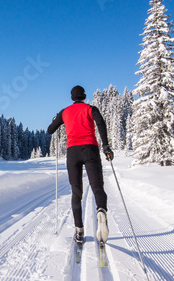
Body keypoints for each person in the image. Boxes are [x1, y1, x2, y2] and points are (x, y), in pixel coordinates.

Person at [47, 85, 114, 244]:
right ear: (84, 96)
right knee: (97, 187)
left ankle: (79, 230)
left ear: (72, 98)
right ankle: (101, 210)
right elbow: (101, 124)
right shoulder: (91, 109)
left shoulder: (65, 112)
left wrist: (57, 119)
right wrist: (106, 146)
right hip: (90, 149)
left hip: (73, 153)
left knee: (76, 192)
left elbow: (50, 130)